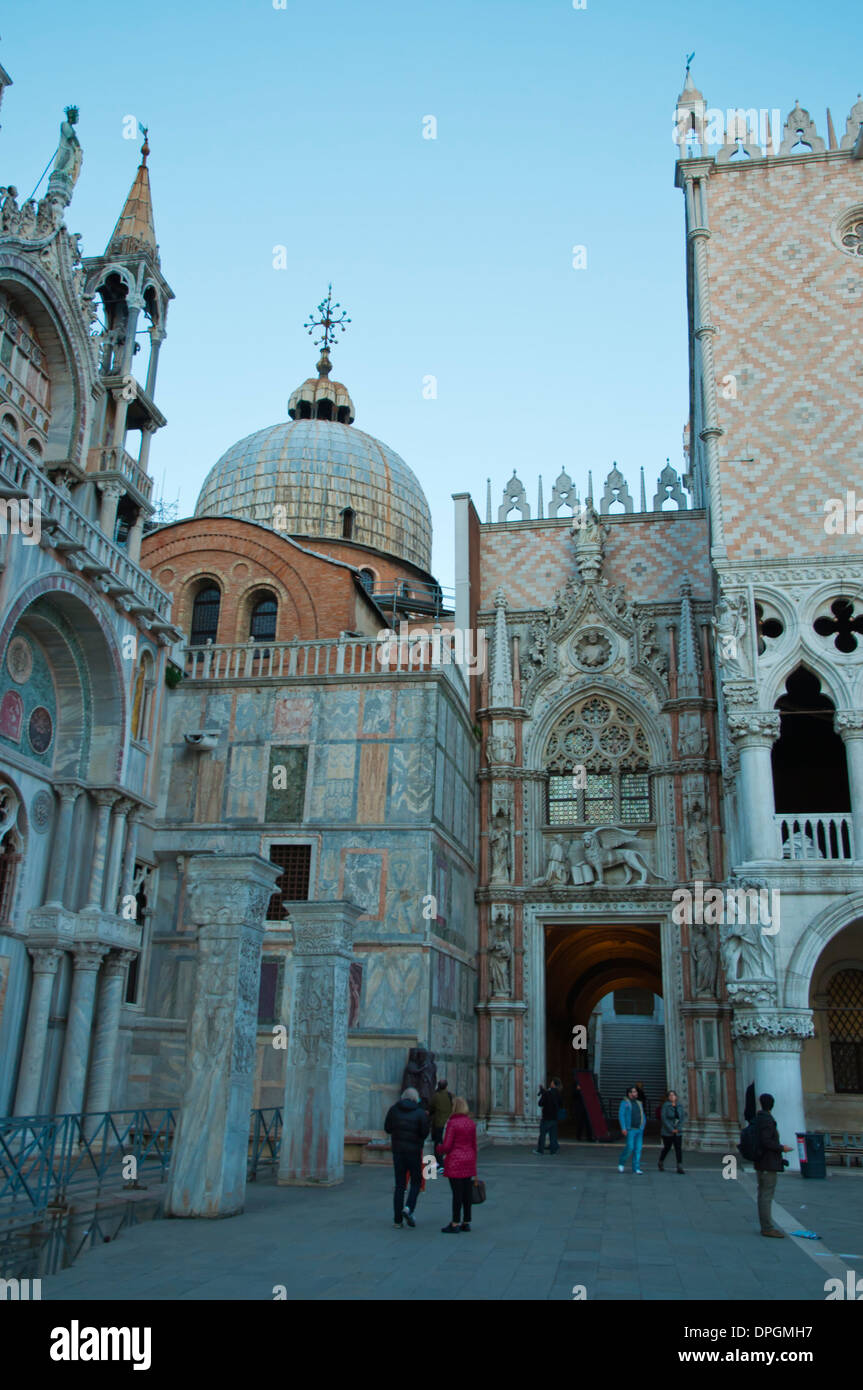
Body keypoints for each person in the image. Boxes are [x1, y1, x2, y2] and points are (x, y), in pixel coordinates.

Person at [384, 1086, 429, 1228]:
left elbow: (387, 1128)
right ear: (416, 1099)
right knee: (416, 1182)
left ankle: (397, 1221)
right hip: (414, 1152)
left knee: (400, 1185)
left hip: (398, 1151)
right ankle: (408, 1208)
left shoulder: (393, 1110)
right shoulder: (420, 1113)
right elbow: (424, 1133)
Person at [753, 1093, 793, 1238]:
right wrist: (782, 1148)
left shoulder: (758, 1119)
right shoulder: (766, 1120)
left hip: (761, 1161)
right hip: (767, 1162)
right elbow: (766, 1142)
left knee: (763, 1194)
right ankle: (767, 1227)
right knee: (766, 1195)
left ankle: (766, 1225)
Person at [439, 1097, 478, 1232]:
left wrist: (439, 1149)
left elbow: (447, 1145)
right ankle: (466, 1222)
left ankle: (455, 1223)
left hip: (455, 1161)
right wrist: (474, 1162)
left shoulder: (453, 1123)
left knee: (457, 1193)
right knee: (467, 1193)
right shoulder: (471, 1123)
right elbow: (474, 1145)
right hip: (468, 1160)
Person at [618, 1084, 646, 1174]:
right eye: (634, 1092)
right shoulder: (624, 1103)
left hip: (639, 1129)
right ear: (629, 1093)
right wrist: (623, 1128)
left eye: (636, 1091)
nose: (636, 1093)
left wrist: (643, 1125)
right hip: (630, 1129)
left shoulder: (639, 1103)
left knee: (638, 1149)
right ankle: (621, 1162)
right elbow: (621, 1115)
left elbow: (642, 1114)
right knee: (630, 1147)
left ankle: (636, 1168)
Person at [657, 1090, 686, 1173]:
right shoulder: (665, 1106)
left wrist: (678, 1128)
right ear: (668, 1097)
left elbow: (682, 1118)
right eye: (670, 1095)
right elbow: (664, 1118)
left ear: (676, 1096)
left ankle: (679, 1166)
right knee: (667, 1147)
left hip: (678, 1131)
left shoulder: (679, 1106)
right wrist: (671, 1129)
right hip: (667, 1132)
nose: (672, 1097)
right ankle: (661, 1161)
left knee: (678, 1148)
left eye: (673, 1095)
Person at [429, 1079, 454, 1168]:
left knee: (438, 1144)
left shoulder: (436, 1096)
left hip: (439, 1124)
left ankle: (439, 1163)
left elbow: (431, 1107)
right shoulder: (449, 1095)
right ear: (446, 1086)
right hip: (448, 1123)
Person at [536, 1077, 563, 1154]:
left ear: (553, 1084)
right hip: (554, 1117)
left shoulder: (547, 1093)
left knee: (543, 1134)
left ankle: (540, 1150)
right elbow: (561, 1104)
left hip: (546, 1117)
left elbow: (540, 1103)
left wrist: (543, 1093)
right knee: (553, 1135)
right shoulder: (558, 1093)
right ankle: (553, 1151)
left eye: (551, 1082)